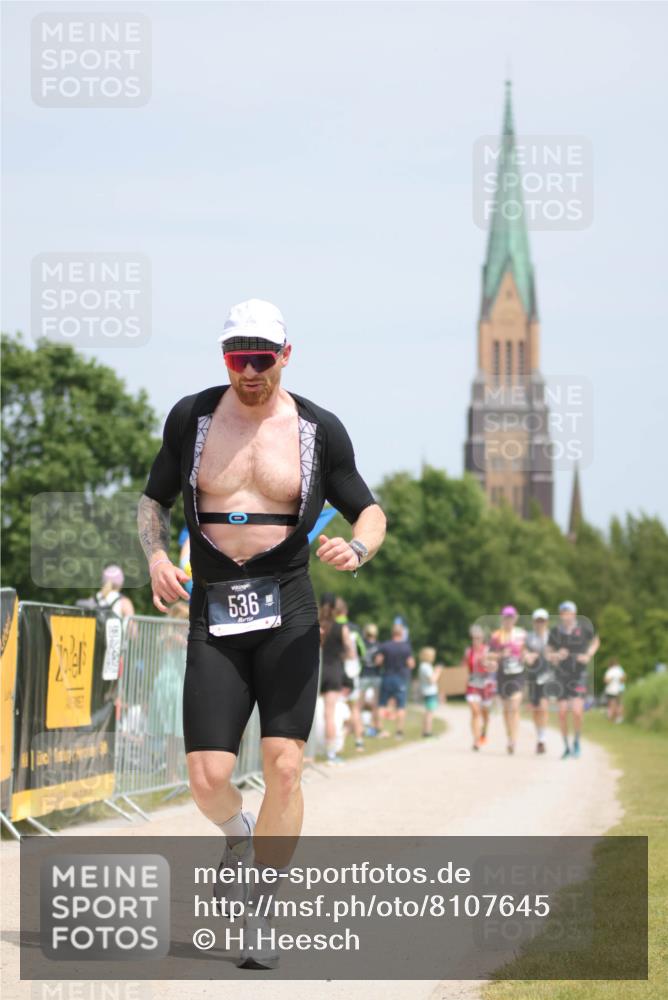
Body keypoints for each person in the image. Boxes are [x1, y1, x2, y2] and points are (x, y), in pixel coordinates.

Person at [137, 298, 386, 968]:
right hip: (215, 609)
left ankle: (262, 912)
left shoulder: (317, 429)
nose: (249, 369)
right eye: (236, 356)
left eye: (261, 356)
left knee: (284, 765)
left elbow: (368, 511)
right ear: (224, 357)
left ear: (285, 354)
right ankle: (237, 835)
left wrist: (357, 552)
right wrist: (157, 556)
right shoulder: (191, 418)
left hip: (290, 611)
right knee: (206, 776)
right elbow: (152, 499)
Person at [547, 600, 600, 760]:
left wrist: (588, 655)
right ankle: (566, 747)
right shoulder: (555, 631)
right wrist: (556, 655)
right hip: (561, 675)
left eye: (568, 611)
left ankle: (576, 740)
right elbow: (548, 653)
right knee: (562, 713)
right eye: (563, 612)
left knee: (577, 712)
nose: (565, 615)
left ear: (574, 613)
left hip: (579, 675)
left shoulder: (583, 628)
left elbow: (596, 641)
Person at [318, 592, 351, 765]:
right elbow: (351, 651)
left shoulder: (314, 625)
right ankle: (331, 754)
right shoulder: (340, 628)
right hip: (333, 672)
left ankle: (306, 753)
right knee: (329, 714)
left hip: (316, 672)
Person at [489, 606, 526, 755]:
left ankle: (514, 741)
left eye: (511, 617)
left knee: (514, 706)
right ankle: (509, 736)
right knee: (506, 709)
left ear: (515, 618)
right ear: (502, 618)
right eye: (506, 617)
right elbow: (489, 655)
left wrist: (527, 656)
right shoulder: (496, 635)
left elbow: (526, 651)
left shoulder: (521, 634)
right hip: (502, 675)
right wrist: (500, 654)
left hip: (517, 674)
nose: (508, 620)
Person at [334, 597, 366, 753]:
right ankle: (359, 741)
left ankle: (335, 744)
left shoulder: (328, 626)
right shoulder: (354, 628)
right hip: (352, 673)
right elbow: (362, 651)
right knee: (354, 709)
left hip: (334, 672)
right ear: (345, 611)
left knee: (333, 708)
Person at [374, 623, 416, 739]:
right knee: (401, 706)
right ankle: (399, 732)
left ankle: (380, 729)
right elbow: (411, 664)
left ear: (392, 633)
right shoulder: (406, 647)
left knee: (381, 704)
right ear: (402, 633)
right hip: (401, 679)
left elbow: (378, 661)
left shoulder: (385, 646)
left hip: (387, 676)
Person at [463, 624, 496, 750]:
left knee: (485, 714)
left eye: (478, 638)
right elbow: (465, 668)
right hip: (472, 684)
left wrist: (487, 663)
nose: (475, 640)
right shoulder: (468, 651)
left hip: (486, 685)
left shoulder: (487, 650)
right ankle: (476, 740)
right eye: (473, 638)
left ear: (482, 638)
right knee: (475, 712)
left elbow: (494, 666)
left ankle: (484, 732)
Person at [524, 609, 552, 754]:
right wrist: (528, 656)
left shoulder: (552, 637)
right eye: (538, 621)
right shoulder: (529, 638)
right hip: (533, 676)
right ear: (534, 622)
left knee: (543, 706)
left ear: (546, 622)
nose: (540, 623)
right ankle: (539, 736)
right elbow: (523, 652)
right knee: (536, 710)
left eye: (542, 620)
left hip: (547, 675)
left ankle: (543, 739)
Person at [360, 623, 382, 735]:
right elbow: (379, 661)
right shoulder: (379, 645)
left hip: (364, 674)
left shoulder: (362, 642)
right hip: (375, 675)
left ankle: (359, 727)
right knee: (375, 703)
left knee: (360, 702)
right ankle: (376, 727)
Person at [418, 647, 441, 737]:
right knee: (429, 713)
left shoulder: (424, 666)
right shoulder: (426, 666)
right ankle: (428, 732)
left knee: (428, 712)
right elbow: (432, 680)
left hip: (427, 691)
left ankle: (426, 731)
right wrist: (438, 672)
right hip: (430, 692)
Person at [603, 658, 627, 723]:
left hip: (612, 690)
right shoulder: (620, 669)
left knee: (612, 704)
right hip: (620, 689)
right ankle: (618, 718)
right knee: (619, 704)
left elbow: (606, 680)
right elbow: (624, 678)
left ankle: (612, 717)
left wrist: (612, 679)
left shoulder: (610, 671)